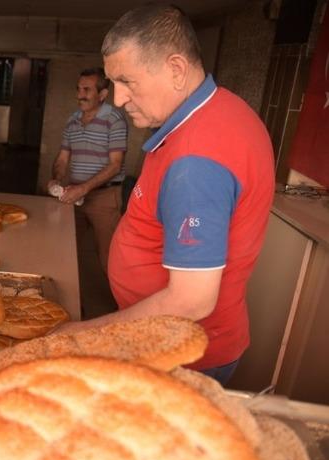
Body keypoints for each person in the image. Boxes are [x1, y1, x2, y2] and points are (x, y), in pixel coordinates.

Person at [56, 5, 275, 386]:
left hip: (184, 357)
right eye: (113, 84)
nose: (119, 99)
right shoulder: (219, 112)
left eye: (127, 82)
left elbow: (191, 300)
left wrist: (83, 335)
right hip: (173, 339)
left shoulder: (196, 157)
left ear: (175, 69)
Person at [47, 67, 127, 274]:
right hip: (74, 195)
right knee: (66, 248)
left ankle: (118, 304)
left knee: (108, 256)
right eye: (78, 89)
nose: (79, 95)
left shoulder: (114, 120)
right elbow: (63, 157)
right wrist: (56, 179)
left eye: (86, 90)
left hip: (105, 197)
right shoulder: (72, 120)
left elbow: (115, 165)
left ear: (103, 94)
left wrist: (83, 189)